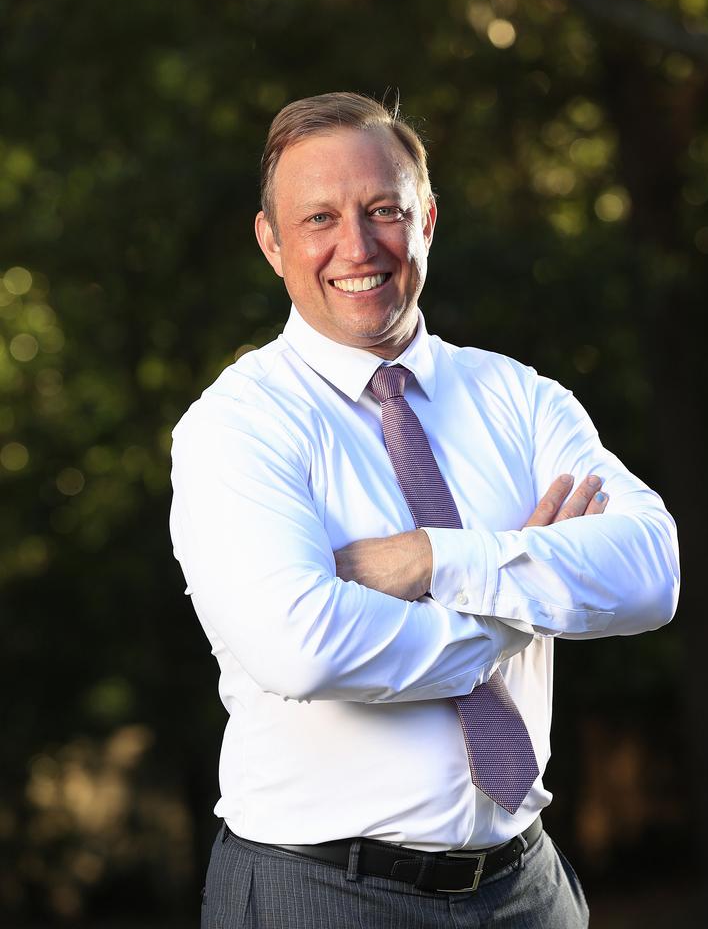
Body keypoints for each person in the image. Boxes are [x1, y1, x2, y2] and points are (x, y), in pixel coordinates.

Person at [169, 91, 680, 928]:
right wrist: (520, 604)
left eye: (383, 210)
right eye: (319, 219)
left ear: (429, 219)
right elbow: (304, 648)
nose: (357, 246)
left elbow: (651, 572)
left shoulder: (519, 399)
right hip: (321, 893)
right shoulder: (236, 427)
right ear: (271, 243)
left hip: (528, 885)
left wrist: (434, 560)